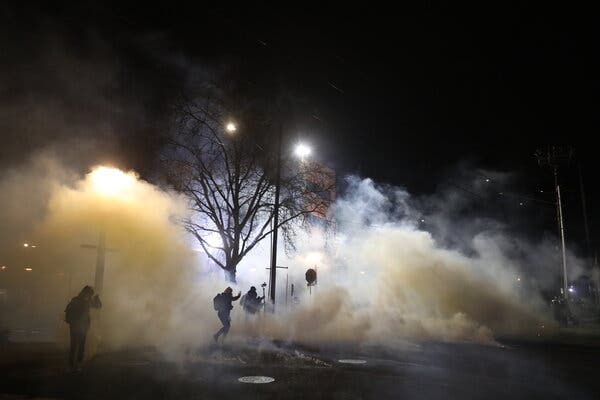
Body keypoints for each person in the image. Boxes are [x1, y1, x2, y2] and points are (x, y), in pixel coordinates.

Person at [64, 285, 102, 370]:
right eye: (90, 293)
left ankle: (73, 364)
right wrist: (97, 299)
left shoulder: (76, 300)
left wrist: (96, 299)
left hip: (75, 325)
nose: (90, 295)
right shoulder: (86, 301)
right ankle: (77, 363)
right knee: (80, 345)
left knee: (74, 345)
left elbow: (98, 306)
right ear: (87, 293)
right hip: (80, 326)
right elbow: (98, 306)